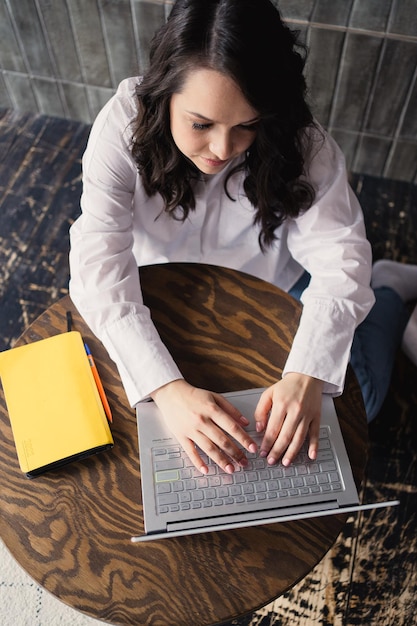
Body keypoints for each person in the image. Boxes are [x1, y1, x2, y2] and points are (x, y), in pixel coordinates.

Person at [69, 0, 417, 477]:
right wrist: (168, 390)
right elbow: (97, 266)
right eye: (201, 124)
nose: (222, 149)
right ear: (166, 91)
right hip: (165, 280)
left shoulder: (301, 140)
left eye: (246, 127)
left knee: (362, 404)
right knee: (142, 416)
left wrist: (307, 374)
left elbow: (342, 257)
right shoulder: (122, 127)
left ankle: (392, 287)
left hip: (272, 279)